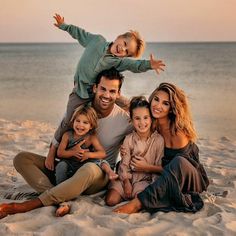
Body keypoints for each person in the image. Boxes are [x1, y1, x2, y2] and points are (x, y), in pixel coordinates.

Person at [0, 68, 132, 219]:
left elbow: (147, 126)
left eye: (112, 91)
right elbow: (60, 134)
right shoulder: (79, 112)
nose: (107, 95)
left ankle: (31, 204)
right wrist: (51, 153)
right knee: (22, 158)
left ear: (118, 94)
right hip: (68, 168)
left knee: (88, 168)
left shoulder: (125, 120)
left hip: (97, 173)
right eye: (103, 89)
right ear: (95, 88)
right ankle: (60, 200)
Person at [46, 13, 166, 169]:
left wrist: (148, 65)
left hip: (98, 93)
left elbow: (133, 65)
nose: (122, 49)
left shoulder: (117, 62)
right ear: (118, 37)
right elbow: (80, 34)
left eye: (126, 51)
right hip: (80, 91)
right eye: (123, 43)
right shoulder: (97, 41)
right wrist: (64, 26)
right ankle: (53, 149)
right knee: (69, 119)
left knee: (117, 101)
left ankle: (141, 111)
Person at [113, 82, 209, 214]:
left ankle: (137, 204)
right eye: (156, 99)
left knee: (178, 162)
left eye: (166, 103)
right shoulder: (152, 120)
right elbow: (131, 106)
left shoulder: (178, 134)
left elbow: (177, 170)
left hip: (189, 178)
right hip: (164, 174)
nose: (158, 106)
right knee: (123, 164)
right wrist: (114, 94)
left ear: (172, 108)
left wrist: (148, 167)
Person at [105, 96, 164, 206]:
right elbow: (124, 164)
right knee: (111, 200)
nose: (142, 122)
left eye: (146, 117)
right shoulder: (128, 139)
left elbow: (158, 166)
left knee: (139, 201)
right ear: (131, 120)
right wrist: (127, 182)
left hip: (145, 180)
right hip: (127, 177)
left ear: (151, 118)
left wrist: (153, 187)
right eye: (137, 118)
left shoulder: (158, 140)